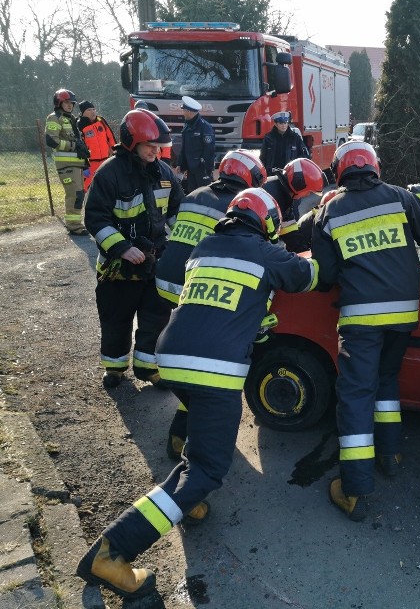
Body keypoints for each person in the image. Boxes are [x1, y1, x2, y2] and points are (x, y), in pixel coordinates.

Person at [76, 188, 319, 599]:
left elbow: (227, 306)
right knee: (206, 468)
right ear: (268, 224)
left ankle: (188, 499)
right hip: (215, 370)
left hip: (171, 358)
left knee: (198, 448)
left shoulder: (204, 247)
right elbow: (308, 276)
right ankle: (112, 552)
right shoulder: (264, 252)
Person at [311, 141, 420, 521]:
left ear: (338, 171)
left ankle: (353, 488)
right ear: (375, 166)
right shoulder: (401, 198)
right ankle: (390, 454)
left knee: (356, 394)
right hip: (404, 315)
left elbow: (323, 278)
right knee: (387, 381)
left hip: (361, 319)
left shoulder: (329, 212)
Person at [156, 149, 268, 460]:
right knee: (206, 355)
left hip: (165, 276)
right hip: (194, 284)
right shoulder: (233, 206)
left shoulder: (195, 193)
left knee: (191, 345)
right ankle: (188, 427)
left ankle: (184, 425)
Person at [83, 109, 184, 389]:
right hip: (120, 266)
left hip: (155, 262)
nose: (156, 151)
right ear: (132, 142)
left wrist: (183, 245)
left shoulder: (164, 173)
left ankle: (147, 367)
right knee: (116, 318)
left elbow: (176, 212)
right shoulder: (109, 174)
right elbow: (95, 218)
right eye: (150, 145)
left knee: (156, 317)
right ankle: (114, 368)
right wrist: (122, 248)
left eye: (158, 146)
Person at [44, 89, 87, 235]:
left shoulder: (70, 118)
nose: (70, 105)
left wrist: (83, 152)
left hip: (75, 163)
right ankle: (74, 226)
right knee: (74, 194)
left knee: (79, 194)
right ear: (59, 102)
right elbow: (51, 140)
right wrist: (74, 146)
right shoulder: (54, 118)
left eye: (72, 103)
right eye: (67, 102)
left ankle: (75, 224)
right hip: (66, 165)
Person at [263, 156, 326, 252]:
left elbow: (289, 231)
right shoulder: (273, 195)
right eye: (309, 191)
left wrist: (303, 252)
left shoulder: (283, 194)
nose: (308, 195)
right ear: (298, 183)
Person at [175, 95, 215, 193]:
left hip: (202, 169)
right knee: (192, 193)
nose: (183, 112)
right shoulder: (187, 126)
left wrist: (206, 170)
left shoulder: (205, 127)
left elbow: (209, 151)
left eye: (184, 110)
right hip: (191, 169)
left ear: (189, 111)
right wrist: (180, 164)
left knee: (204, 194)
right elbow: (184, 148)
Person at [77, 101, 116, 192]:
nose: (93, 111)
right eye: (89, 110)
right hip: (90, 164)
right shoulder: (79, 125)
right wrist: (84, 165)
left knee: (107, 185)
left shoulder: (101, 120)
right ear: (83, 112)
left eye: (94, 109)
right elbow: (79, 146)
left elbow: (110, 136)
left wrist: (115, 151)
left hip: (105, 161)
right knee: (86, 188)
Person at [134, 100, 172, 165]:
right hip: (136, 161)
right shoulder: (131, 124)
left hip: (155, 161)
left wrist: (165, 159)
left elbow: (164, 142)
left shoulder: (156, 124)